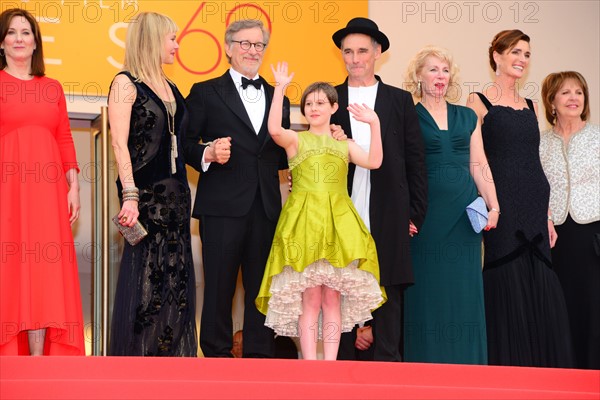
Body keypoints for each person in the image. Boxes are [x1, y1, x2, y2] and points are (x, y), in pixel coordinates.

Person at [255, 63, 385, 360]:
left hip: (338, 223)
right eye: (309, 104)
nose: (314, 108)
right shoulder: (296, 140)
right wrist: (280, 89)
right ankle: (310, 364)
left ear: (333, 107)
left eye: (320, 103)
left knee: (332, 298)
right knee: (310, 298)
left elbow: (375, 161)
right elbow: (274, 129)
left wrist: (374, 124)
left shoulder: (345, 144)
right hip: (304, 222)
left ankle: (330, 364)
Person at [466, 30, 573, 368]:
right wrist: (492, 204)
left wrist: (548, 215)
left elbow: (534, 162)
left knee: (539, 280)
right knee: (505, 273)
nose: (521, 59)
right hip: (502, 206)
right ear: (496, 55)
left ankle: (541, 370)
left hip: (534, 205)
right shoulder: (477, 101)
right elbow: (476, 160)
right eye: (515, 51)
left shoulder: (530, 105)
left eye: (526, 54)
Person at [184, 19, 291, 358]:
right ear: (228, 48)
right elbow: (183, 142)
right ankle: (215, 359)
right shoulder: (204, 92)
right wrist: (208, 152)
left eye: (258, 45)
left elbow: (283, 154)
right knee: (218, 288)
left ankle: (260, 361)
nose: (252, 51)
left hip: (266, 207)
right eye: (244, 44)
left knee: (263, 291)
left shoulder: (279, 97)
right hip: (221, 208)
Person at [330, 17, 428, 362]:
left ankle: (389, 373)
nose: (354, 59)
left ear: (378, 53)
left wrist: (414, 213)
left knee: (388, 291)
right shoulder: (329, 98)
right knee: (338, 290)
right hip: (339, 208)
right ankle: (337, 373)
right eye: (348, 52)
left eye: (361, 51)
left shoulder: (399, 101)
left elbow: (415, 161)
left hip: (389, 208)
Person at [108, 11, 197, 356]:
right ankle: (138, 366)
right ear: (153, 39)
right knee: (147, 285)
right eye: (171, 38)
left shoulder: (171, 86)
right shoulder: (125, 83)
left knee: (177, 284)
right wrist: (129, 196)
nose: (176, 44)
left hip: (178, 198)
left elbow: (181, 141)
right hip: (145, 199)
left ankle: (168, 364)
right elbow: (119, 144)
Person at [403, 46, 499, 365]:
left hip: (463, 218)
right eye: (432, 70)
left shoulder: (468, 116)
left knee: (463, 291)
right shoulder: (408, 115)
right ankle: (426, 367)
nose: (440, 76)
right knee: (428, 293)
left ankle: (468, 367)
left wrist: (493, 205)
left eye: (444, 70)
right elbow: (400, 169)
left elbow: (479, 163)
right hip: (426, 217)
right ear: (418, 76)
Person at [0, 8, 84, 356]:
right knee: (13, 269)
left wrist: (74, 186)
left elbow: (64, 137)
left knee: (45, 271)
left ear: (36, 42)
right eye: (12, 32)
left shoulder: (52, 88)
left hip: (49, 193)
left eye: (26, 32)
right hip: (8, 192)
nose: (19, 39)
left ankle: (39, 360)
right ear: (2, 42)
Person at [539, 71, 600, 370]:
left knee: (592, 306)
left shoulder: (597, 137)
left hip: (593, 235)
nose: (574, 98)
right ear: (551, 101)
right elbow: (535, 189)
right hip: (556, 235)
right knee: (562, 306)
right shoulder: (540, 144)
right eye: (565, 92)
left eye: (579, 92)